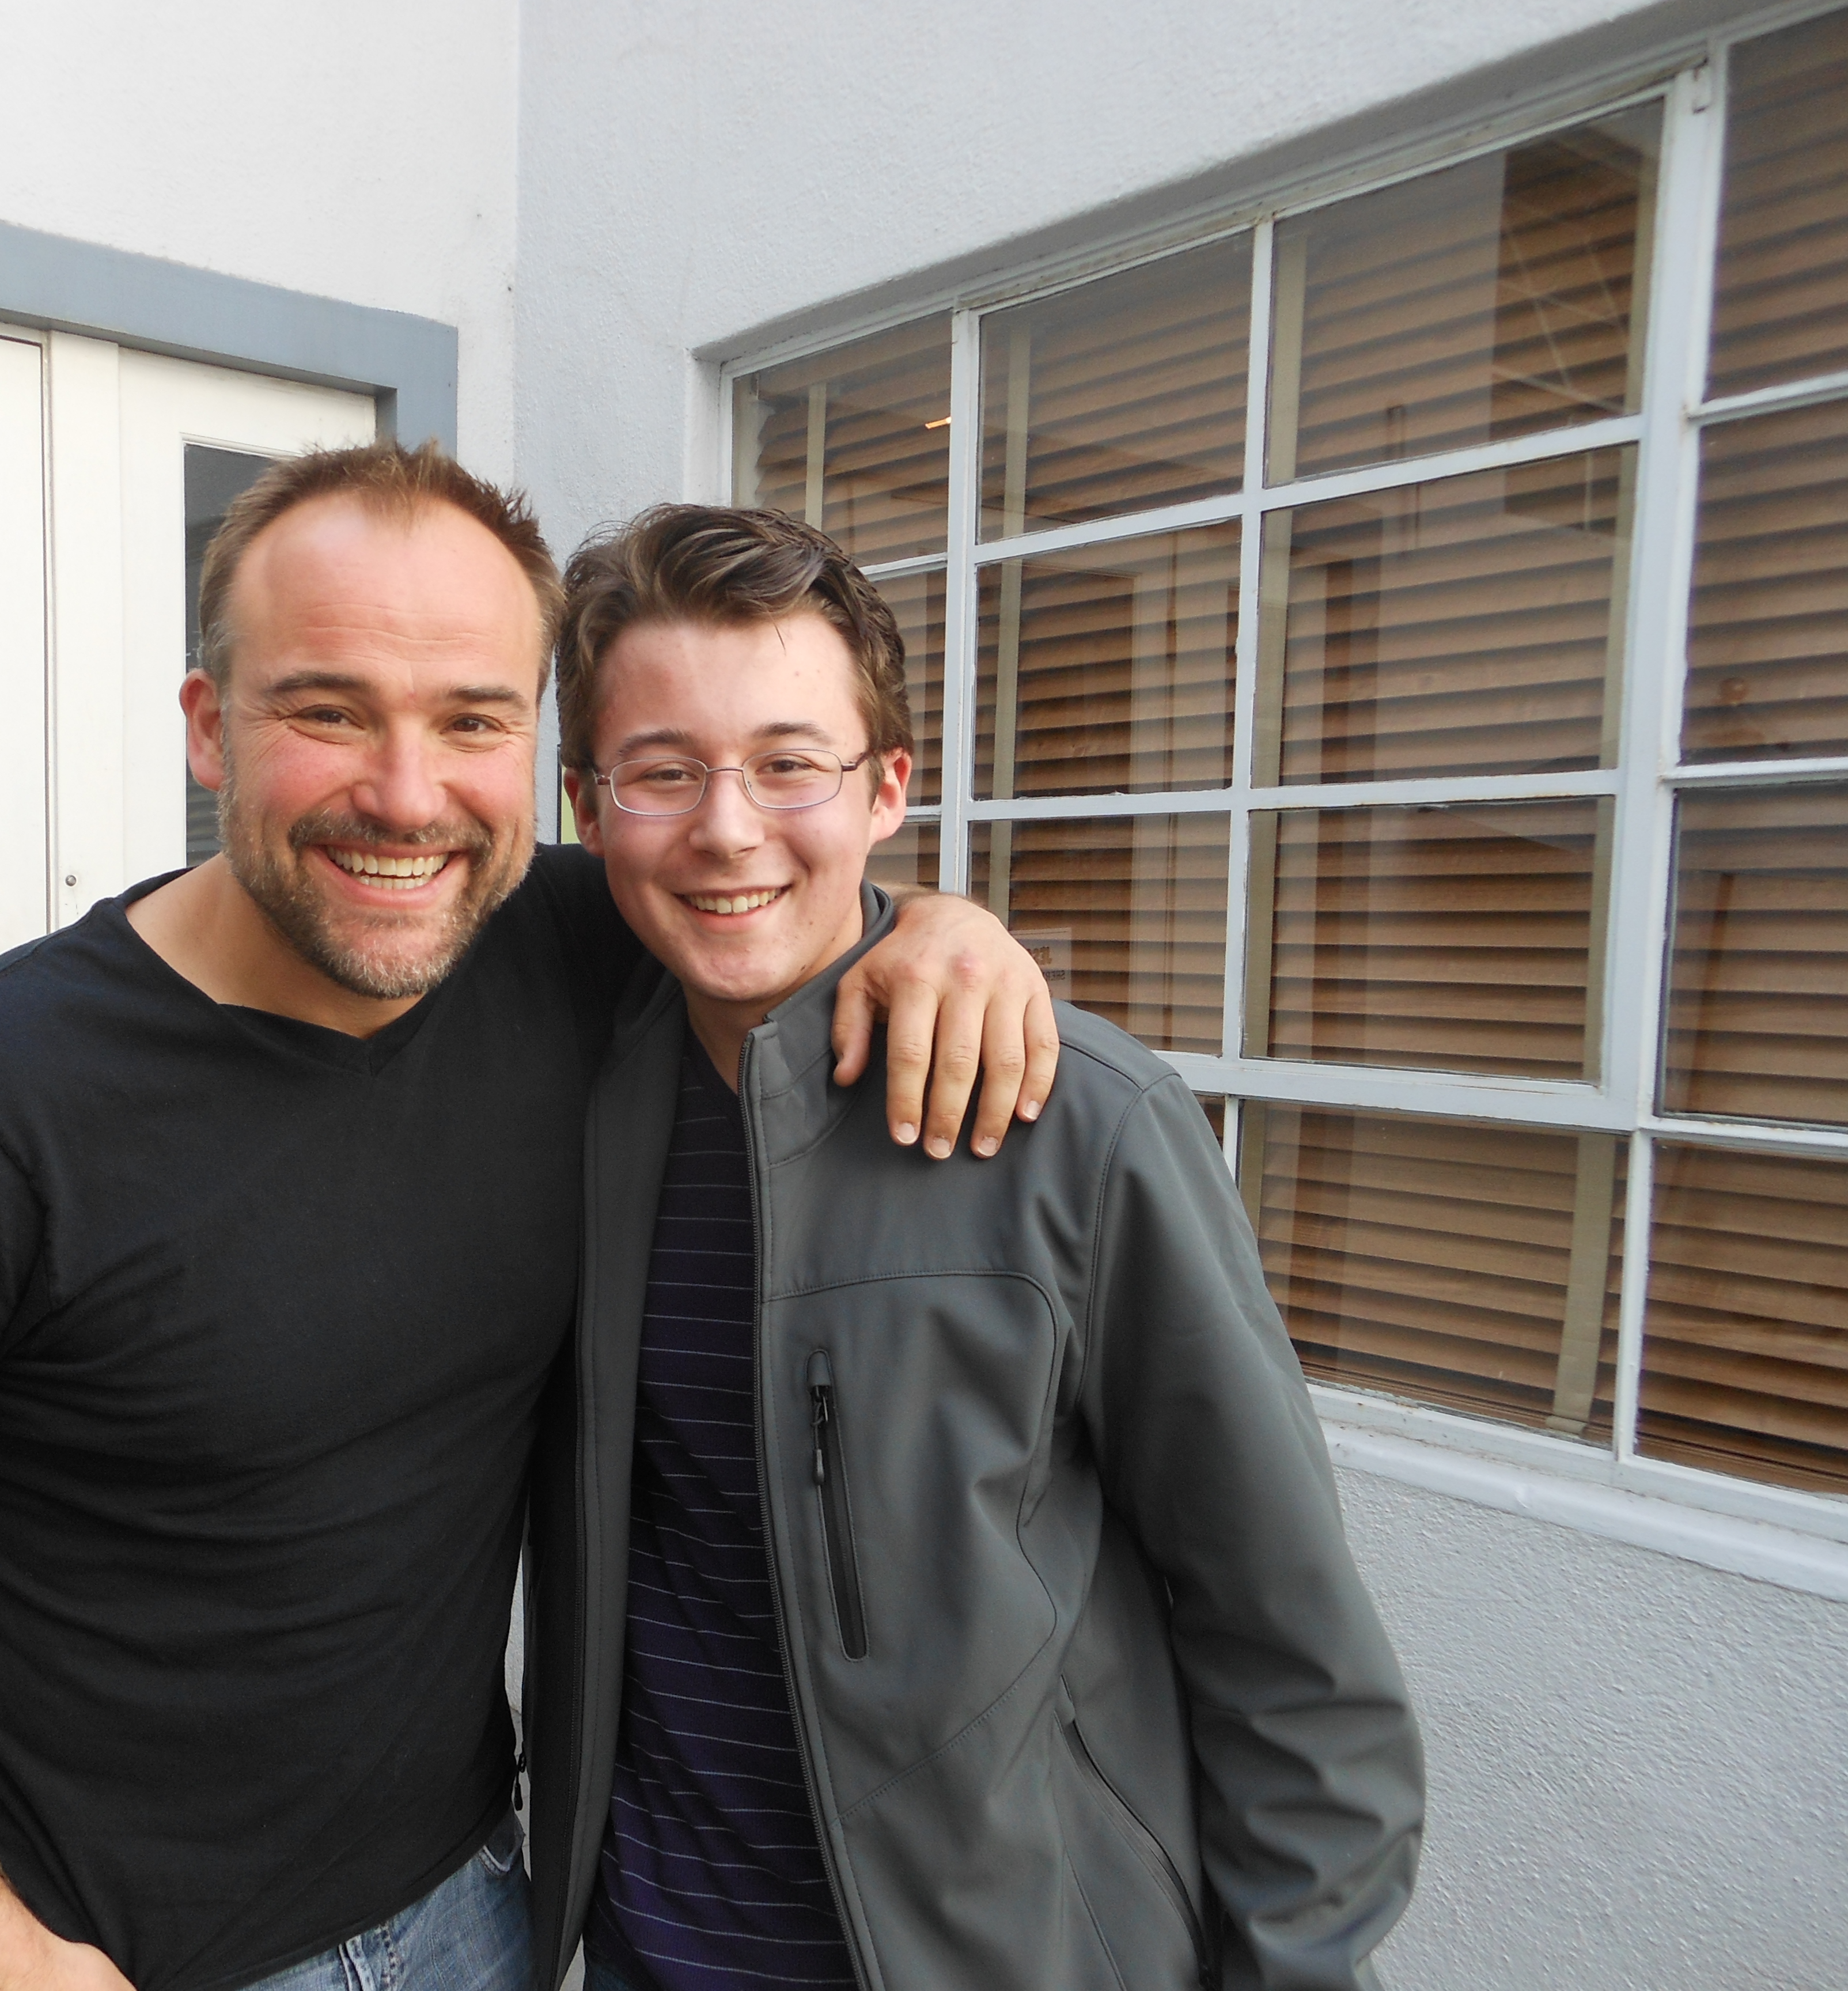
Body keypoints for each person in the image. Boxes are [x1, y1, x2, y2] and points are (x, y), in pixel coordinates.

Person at [0, 444, 1058, 1991]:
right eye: (326, 712)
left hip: (477, 1914)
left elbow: (761, 877)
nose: (407, 794)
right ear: (210, 728)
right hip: (104, 1959)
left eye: (470, 723)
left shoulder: (556, 945)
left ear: (535, 749)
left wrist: (942, 928)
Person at [527, 505, 1425, 1991]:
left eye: (788, 763)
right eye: (662, 770)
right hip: (650, 1953)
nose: (728, 827)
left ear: (887, 785)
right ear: (585, 799)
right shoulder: (564, 1080)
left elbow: (1295, 1655)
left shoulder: (1083, 1125)